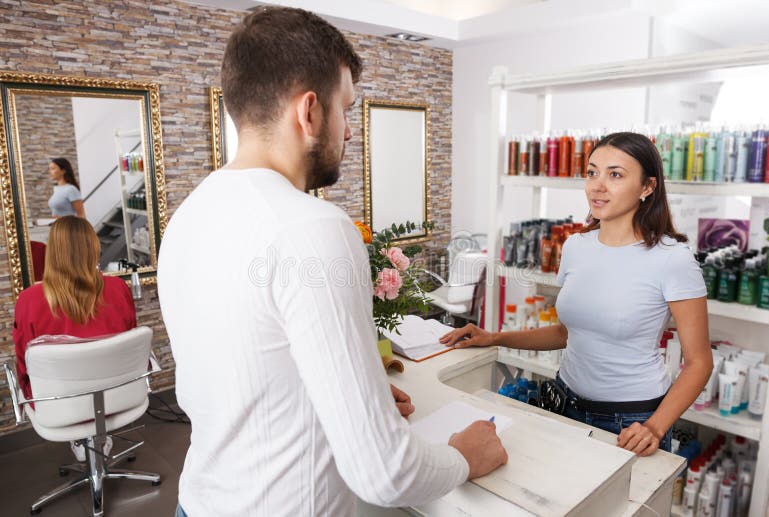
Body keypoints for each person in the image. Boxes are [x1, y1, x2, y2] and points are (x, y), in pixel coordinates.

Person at [157, 7, 507, 517]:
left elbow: (242, 367)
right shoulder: (312, 227)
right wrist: (463, 457)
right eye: (346, 108)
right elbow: (386, 473)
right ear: (309, 112)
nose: (349, 131)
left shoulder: (189, 215)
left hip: (202, 500)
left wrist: (353, 390)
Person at [441, 132, 713, 457]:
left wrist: (655, 427)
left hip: (631, 421)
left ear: (647, 187)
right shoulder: (576, 246)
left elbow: (699, 362)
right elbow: (568, 332)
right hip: (563, 401)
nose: (597, 185)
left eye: (615, 175)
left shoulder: (671, 258)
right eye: (592, 172)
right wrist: (494, 337)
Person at [13, 215, 137, 459]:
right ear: (94, 247)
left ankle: (83, 440)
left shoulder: (29, 300)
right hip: (118, 397)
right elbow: (132, 350)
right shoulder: (118, 289)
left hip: (59, 406)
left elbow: (23, 364)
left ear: (52, 252)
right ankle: (97, 435)